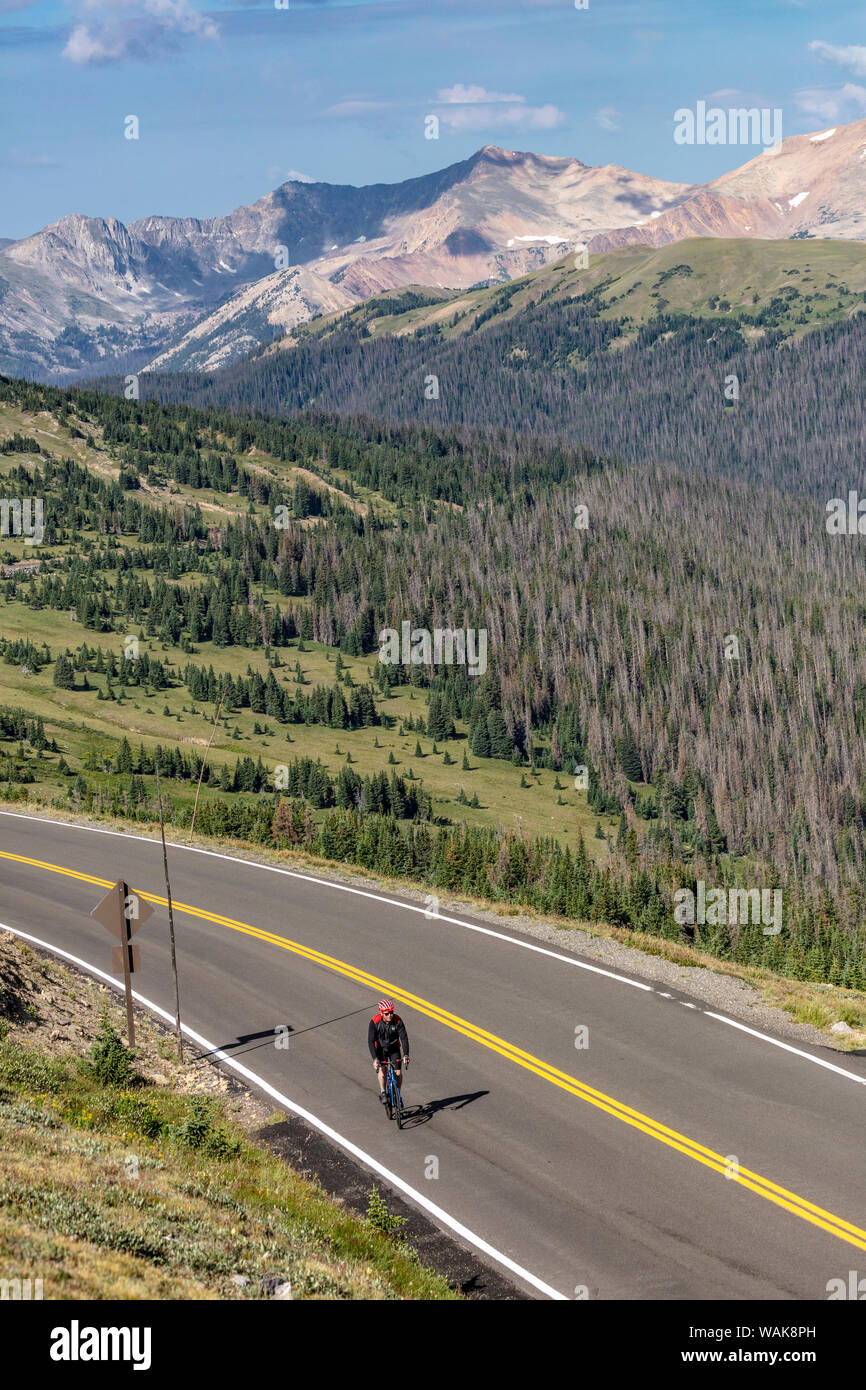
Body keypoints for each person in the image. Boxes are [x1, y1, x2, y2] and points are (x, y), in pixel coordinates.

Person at [368, 999, 410, 1104]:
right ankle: (383, 1092)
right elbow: (371, 1041)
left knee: (398, 1072)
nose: (390, 1015)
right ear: (381, 1013)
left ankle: (398, 1094)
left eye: (392, 1012)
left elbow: (404, 1038)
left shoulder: (398, 1020)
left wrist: (406, 1055)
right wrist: (375, 1059)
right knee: (383, 1070)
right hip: (381, 1049)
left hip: (394, 1048)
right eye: (387, 1013)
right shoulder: (374, 1022)